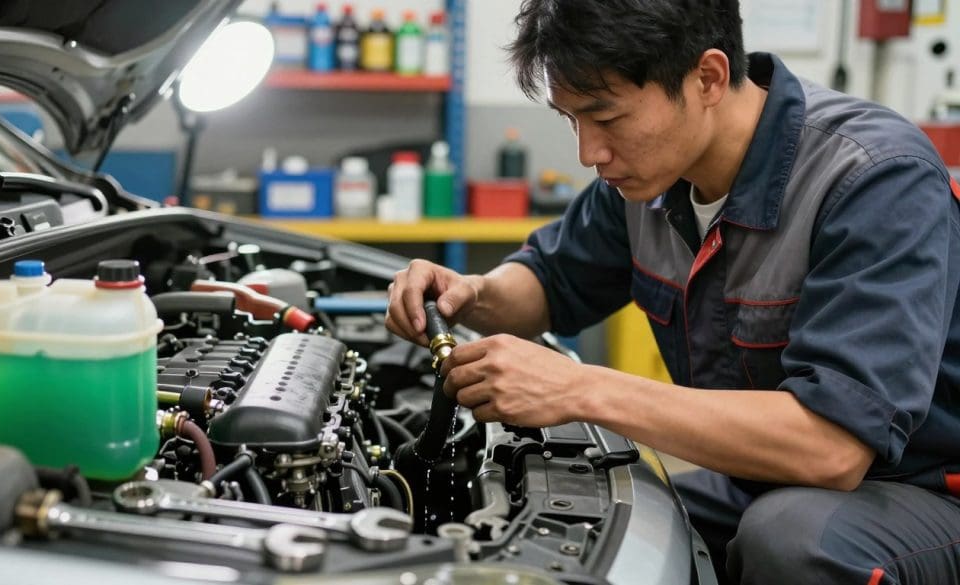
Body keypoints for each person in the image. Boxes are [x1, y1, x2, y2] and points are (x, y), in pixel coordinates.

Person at [384, 1, 960, 583]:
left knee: (792, 539)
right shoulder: (648, 179)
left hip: (925, 491)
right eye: (571, 120)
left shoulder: (874, 178)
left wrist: (580, 388)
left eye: (606, 118)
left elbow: (832, 447)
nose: (589, 153)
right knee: (603, 528)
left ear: (707, 77)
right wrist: (470, 292)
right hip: (765, 480)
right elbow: (550, 282)